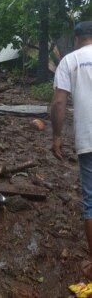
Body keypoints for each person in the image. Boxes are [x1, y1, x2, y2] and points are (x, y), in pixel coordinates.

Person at [50, 21, 92, 279]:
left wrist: (56, 136)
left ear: (76, 39)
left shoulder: (70, 61)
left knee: (91, 201)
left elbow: (59, 101)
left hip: (89, 138)